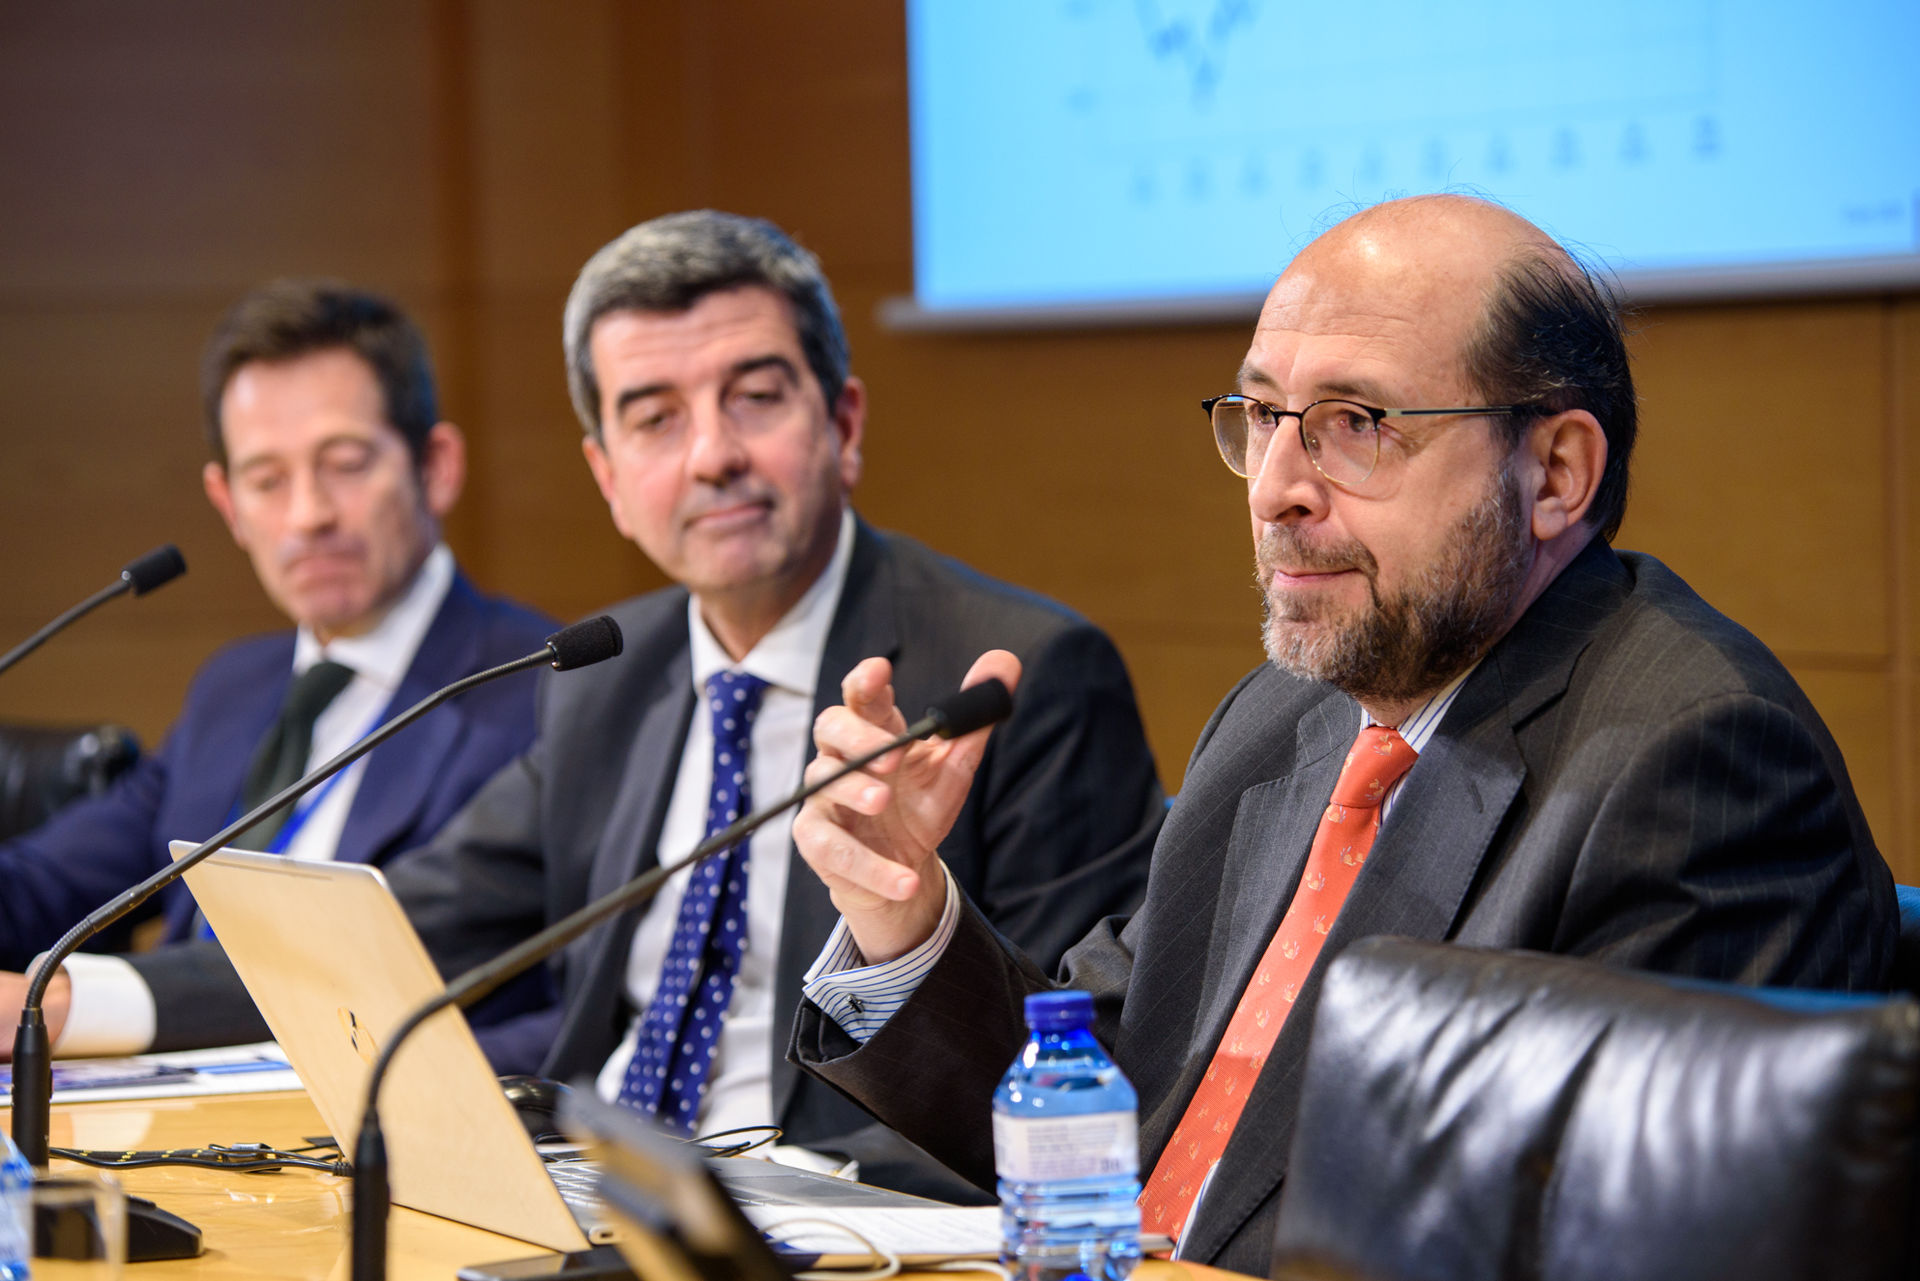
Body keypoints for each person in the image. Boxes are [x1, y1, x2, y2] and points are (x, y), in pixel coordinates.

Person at [786, 195, 1899, 1272]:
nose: (1275, 489)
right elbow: (1099, 1105)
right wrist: (903, 915)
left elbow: (1617, 1246)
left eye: (1355, 425)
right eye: (1263, 416)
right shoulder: (1282, 719)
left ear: (1556, 473)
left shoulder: (1701, 764)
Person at [293, 211, 1158, 1196]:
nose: (712, 455)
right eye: (655, 418)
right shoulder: (606, 675)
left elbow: (1068, 1071)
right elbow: (394, 925)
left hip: (838, 1211)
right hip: (591, 1189)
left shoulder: (1014, 681)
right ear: (608, 477)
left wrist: (903, 923)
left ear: (843, 424)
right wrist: (133, 994)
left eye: (754, 398)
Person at [0, 281, 555, 1059]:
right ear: (227, 503)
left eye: (346, 464)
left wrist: (70, 1001)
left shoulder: (539, 686)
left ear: (436, 467)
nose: (308, 515)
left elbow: (387, 957)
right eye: (267, 479)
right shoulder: (234, 688)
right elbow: (41, 886)